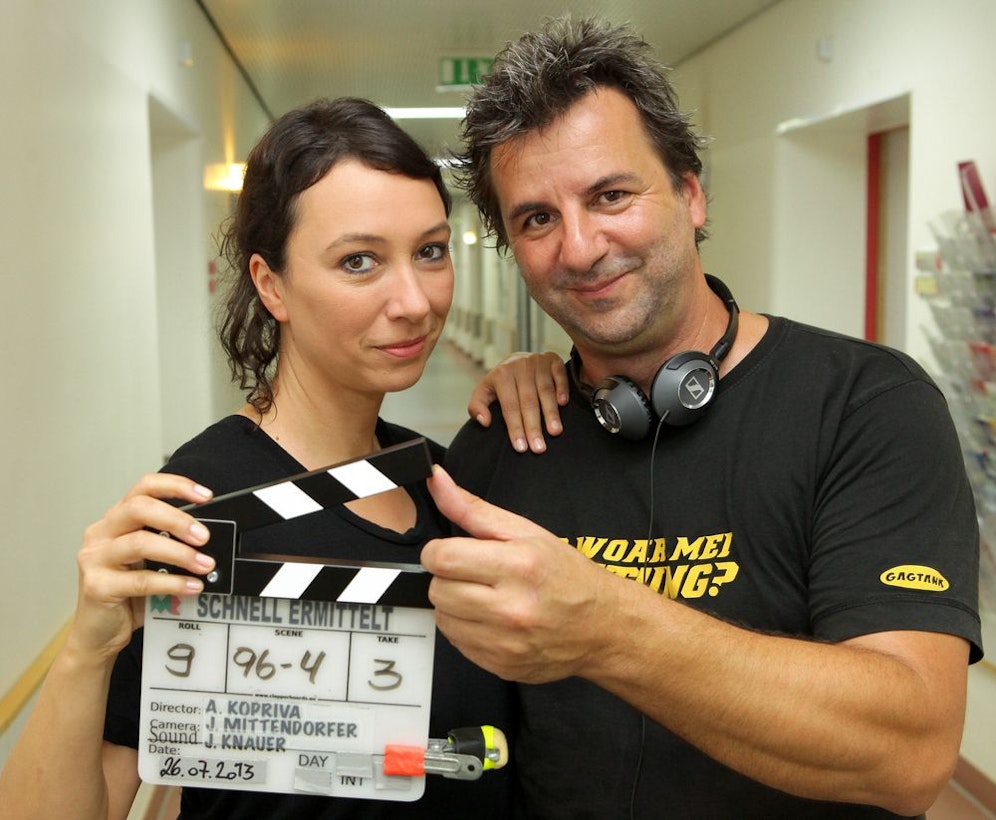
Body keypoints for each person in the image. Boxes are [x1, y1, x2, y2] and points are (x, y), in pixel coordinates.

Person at [421, 16, 984, 819]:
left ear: (690, 193)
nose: (579, 248)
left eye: (611, 195)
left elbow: (909, 753)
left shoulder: (865, 408)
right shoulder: (501, 444)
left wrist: (608, 627)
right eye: (536, 218)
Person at [0, 97, 562, 819]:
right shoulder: (198, 515)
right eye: (358, 262)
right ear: (272, 285)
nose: (414, 301)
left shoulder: (450, 482)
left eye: (429, 251)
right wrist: (85, 648)